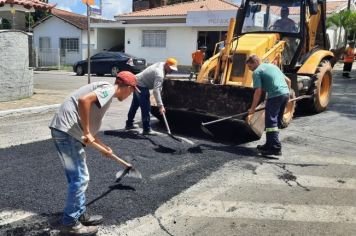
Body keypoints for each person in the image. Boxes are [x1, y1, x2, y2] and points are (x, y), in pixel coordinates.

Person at [50, 71, 139, 235]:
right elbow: (83, 101)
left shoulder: (104, 98)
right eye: (132, 91)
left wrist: (104, 147)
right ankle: (70, 224)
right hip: (67, 133)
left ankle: (80, 213)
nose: (131, 94)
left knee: (76, 177)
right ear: (126, 87)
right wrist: (86, 132)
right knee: (80, 178)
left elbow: (91, 130)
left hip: (65, 132)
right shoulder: (109, 89)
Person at [246, 55, 291, 156]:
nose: (250, 69)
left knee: (271, 121)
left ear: (255, 63)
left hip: (275, 96)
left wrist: (252, 109)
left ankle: (275, 148)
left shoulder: (257, 72)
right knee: (276, 121)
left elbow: (258, 92)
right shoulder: (273, 66)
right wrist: (287, 96)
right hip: (285, 94)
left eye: (250, 67)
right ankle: (269, 144)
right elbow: (288, 81)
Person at [125, 57, 178, 135]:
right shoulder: (160, 74)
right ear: (166, 64)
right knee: (146, 107)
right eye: (170, 68)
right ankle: (147, 129)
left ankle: (129, 124)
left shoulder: (161, 64)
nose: (171, 71)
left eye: (173, 69)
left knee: (135, 104)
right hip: (141, 85)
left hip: (136, 81)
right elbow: (156, 91)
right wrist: (160, 106)